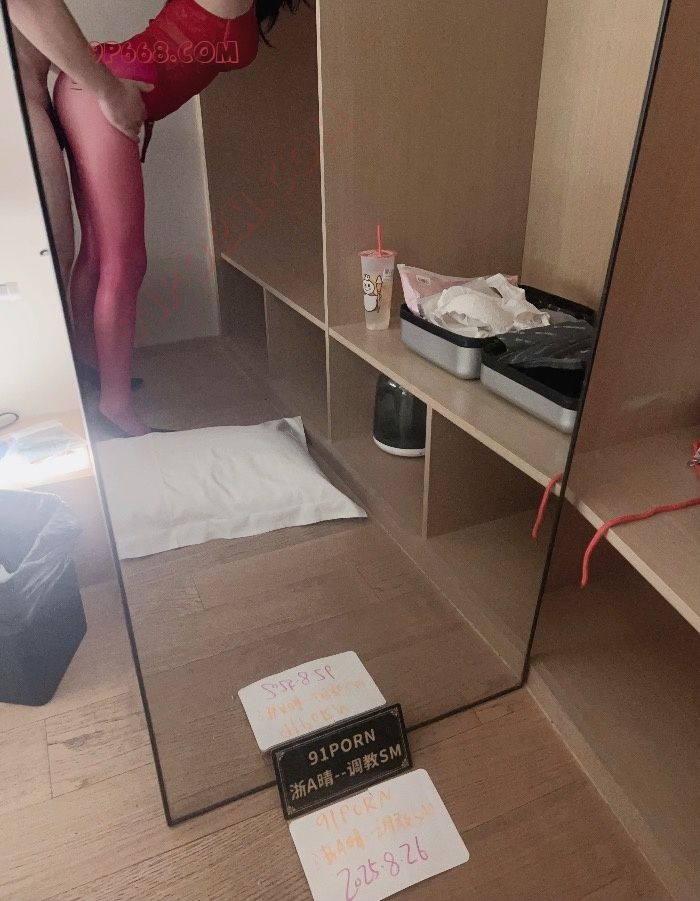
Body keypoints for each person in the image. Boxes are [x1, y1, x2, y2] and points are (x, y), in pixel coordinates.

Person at [53, 0, 302, 437]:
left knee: (98, 253)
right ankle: (115, 406)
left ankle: (92, 368)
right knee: (125, 263)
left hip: (92, 85)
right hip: (104, 90)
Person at [7, 0, 153, 291]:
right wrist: (110, 92)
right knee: (43, 282)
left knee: (48, 277)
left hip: (24, 100)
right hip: (11, 107)